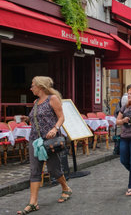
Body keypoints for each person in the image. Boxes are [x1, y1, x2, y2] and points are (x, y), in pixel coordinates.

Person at [18, 76, 71, 215]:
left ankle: (65, 188)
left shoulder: (52, 99)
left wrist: (55, 129)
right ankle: (33, 203)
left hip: (49, 141)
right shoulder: (36, 102)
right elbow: (38, 118)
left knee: (54, 169)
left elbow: (61, 117)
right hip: (35, 140)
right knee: (35, 171)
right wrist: (27, 118)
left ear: (40, 87)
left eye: (33, 85)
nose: (31, 88)